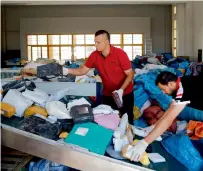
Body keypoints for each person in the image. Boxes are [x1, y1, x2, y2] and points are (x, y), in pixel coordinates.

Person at [63, 30, 134, 124]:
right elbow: (82, 70)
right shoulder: (94, 55)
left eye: (98, 42)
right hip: (108, 94)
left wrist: (121, 90)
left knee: (127, 121)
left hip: (124, 94)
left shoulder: (120, 54)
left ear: (107, 42)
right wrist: (67, 70)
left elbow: (130, 74)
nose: (95, 45)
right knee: (109, 122)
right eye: (95, 42)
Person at [129, 71, 203, 162]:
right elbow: (170, 110)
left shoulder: (182, 89)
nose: (163, 93)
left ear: (171, 84)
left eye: (163, 89)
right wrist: (154, 126)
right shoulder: (183, 81)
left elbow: (169, 119)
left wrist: (144, 143)